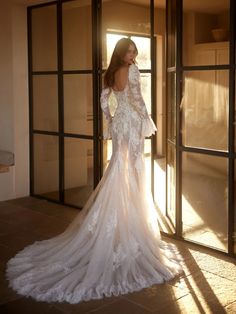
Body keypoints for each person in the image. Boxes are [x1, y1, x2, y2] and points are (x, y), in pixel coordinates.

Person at [6, 38, 183, 304]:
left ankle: (122, 223)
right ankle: (131, 228)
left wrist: (110, 123)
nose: (133, 54)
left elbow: (104, 100)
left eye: (135, 51)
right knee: (134, 172)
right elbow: (137, 99)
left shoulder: (110, 73)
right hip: (132, 123)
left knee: (120, 170)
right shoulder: (130, 70)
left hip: (121, 124)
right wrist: (147, 120)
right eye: (130, 51)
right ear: (121, 53)